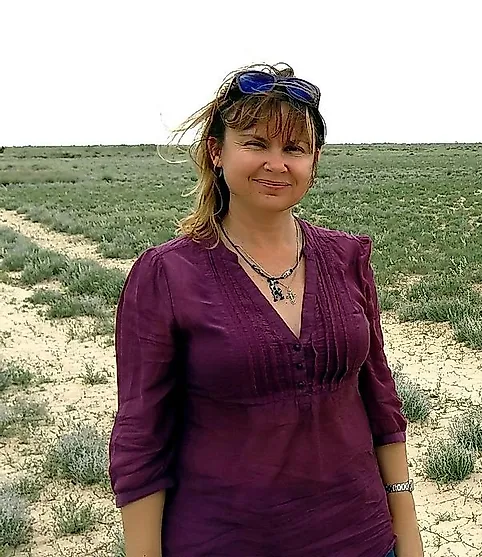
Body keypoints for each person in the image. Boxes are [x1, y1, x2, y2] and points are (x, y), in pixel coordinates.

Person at [108, 62, 424, 557]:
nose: (276, 164)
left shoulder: (347, 258)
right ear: (217, 151)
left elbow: (381, 402)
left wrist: (408, 535)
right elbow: (141, 437)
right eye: (256, 143)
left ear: (313, 162)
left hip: (362, 539)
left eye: (294, 149)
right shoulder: (167, 275)